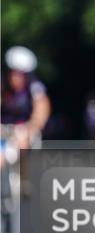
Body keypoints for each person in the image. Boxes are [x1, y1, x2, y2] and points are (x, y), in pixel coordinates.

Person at [1, 46, 51, 202]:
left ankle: (24, 178)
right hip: (4, 130)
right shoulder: (2, 86)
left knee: (22, 142)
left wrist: (31, 127)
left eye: (20, 74)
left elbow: (41, 110)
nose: (16, 77)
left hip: (25, 130)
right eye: (13, 72)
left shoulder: (35, 88)